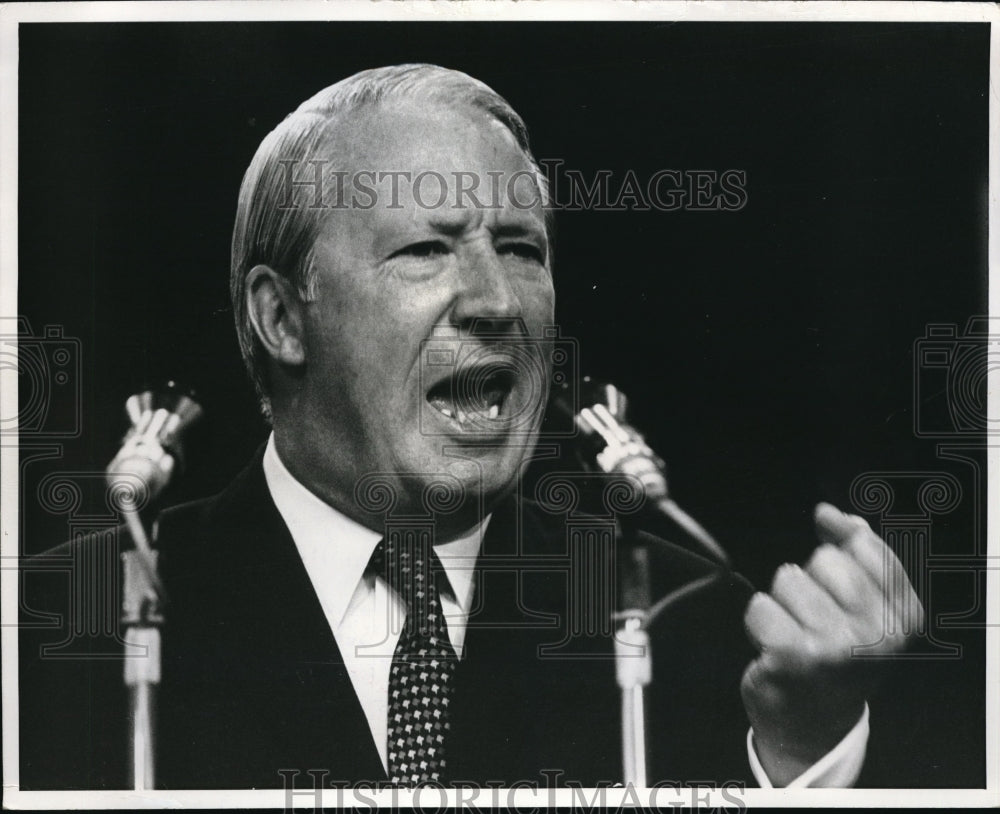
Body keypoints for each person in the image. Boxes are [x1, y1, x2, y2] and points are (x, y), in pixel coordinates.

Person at [19, 64, 922, 791]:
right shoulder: (58, 633)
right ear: (283, 318)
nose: (497, 302)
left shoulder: (696, 625)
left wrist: (806, 749)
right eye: (426, 249)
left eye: (522, 250)